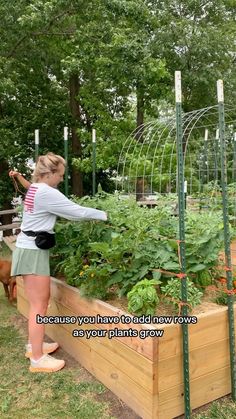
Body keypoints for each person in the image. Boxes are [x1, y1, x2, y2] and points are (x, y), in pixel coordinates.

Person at [9, 153, 107, 373]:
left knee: (38, 304)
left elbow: (27, 185)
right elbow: (76, 212)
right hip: (33, 252)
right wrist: (105, 215)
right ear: (50, 173)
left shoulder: (35, 187)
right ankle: (37, 359)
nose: (62, 179)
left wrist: (19, 177)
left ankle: (34, 345)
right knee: (39, 305)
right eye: (60, 175)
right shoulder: (45, 192)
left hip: (30, 248)